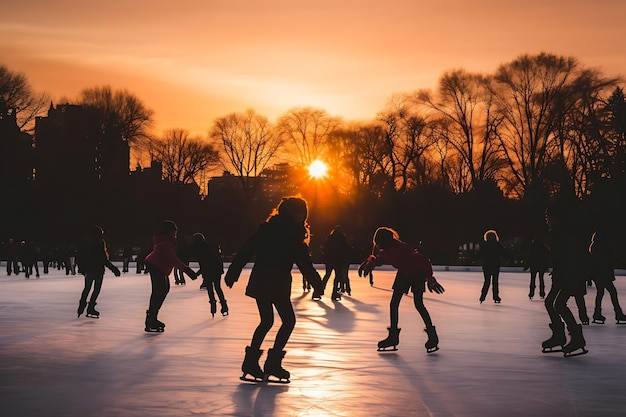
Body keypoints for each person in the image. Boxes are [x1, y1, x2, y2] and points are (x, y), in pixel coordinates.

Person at [224, 197, 324, 383]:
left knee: (268, 321)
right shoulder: (289, 233)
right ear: (289, 213)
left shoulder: (272, 229)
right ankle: (270, 364)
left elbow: (304, 263)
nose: (301, 217)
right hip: (273, 283)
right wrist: (233, 271)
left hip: (264, 281)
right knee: (285, 321)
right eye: (297, 213)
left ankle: (253, 363)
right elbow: (248, 249)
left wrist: (317, 283)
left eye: (303, 213)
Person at [358, 227, 444, 353]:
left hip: (417, 274)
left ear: (384, 241)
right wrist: (369, 262)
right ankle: (393, 337)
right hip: (404, 273)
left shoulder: (399, 248)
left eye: (379, 243)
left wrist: (430, 278)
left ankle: (432, 337)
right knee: (394, 304)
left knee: (418, 304)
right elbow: (379, 257)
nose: (378, 245)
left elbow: (423, 260)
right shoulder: (388, 248)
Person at [541, 201, 588, 357]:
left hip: (569, 275)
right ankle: (559, 335)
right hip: (562, 275)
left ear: (557, 218)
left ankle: (577, 338)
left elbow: (570, 257)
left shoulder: (563, 233)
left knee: (559, 305)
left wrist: (566, 274)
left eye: (549, 217)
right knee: (550, 303)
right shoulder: (558, 232)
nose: (547, 220)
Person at [144, 220, 197, 332]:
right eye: (174, 232)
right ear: (169, 232)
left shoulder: (167, 241)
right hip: (155, 266)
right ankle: (151, 319)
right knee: (160, 290)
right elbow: (173, 259)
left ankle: (152, 317)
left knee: (162, 290)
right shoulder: (166, 243)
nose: (175, 234)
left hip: (156, 266)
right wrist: (187, 270)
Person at [75, 225, 121, 318]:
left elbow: (80, 256)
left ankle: (82, 305)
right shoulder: (99, 243)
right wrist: (114, 269)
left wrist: (82, 269)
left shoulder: (86, 243)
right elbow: (103, 259)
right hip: (98, 270)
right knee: (96, 290)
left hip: (89, 270)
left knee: (87, 288)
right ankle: (91, 307)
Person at [588, 221, 626, 324]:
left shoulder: (596, 244)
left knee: (601, 293)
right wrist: (621, 263)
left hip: (598, 273)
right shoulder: (603, 243)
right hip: (603, 273)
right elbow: (610, 257)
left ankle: (597, 313)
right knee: (612, 292)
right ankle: (618, 314)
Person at [188, 232, 228, 317]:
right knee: (217, 287)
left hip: (209, 271)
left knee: (210, 288)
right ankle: (224, 306)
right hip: (216, 270)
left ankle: (213, 306)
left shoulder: (200, 249)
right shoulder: (209, 247)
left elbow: (205, 264)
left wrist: (196, 274)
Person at [321, 225, 352, 300]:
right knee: (337, 276)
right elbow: (344, 250)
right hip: (337, 260)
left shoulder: (329, 237)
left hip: (329, 260)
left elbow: (325, 249)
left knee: (327, 275)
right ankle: (334, 293)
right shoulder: (342, 238)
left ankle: (319, 290)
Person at [475, 230, 505, 303]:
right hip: (495, 265)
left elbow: (479, 254)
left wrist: (472, 259)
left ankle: (482, 297)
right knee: (495, 282)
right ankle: (496, 297)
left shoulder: (485, 245)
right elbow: (504, 252)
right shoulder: (498, 245)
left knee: (487, 282)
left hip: (487, 266)